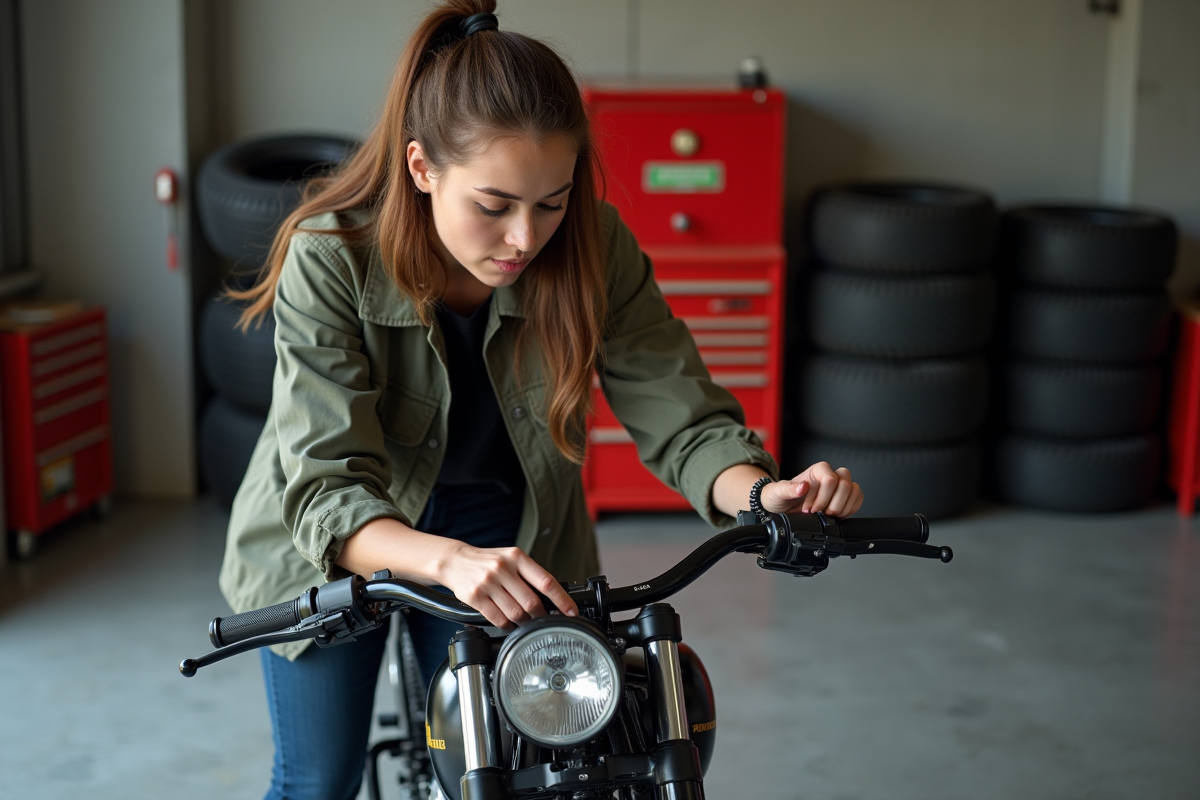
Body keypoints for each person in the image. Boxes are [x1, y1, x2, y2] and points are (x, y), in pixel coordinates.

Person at [218, 2, 864, 798]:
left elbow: (685, 420)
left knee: (511, 774)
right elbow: (325, 490)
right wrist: (446, 563)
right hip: (332, 538)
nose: (525, 238)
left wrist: (766, 495)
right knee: (319, 780)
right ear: (422, 169)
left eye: (551, 203)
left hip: (504, 530)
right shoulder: (331, 256)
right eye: (493, 206)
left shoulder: (597, 247)